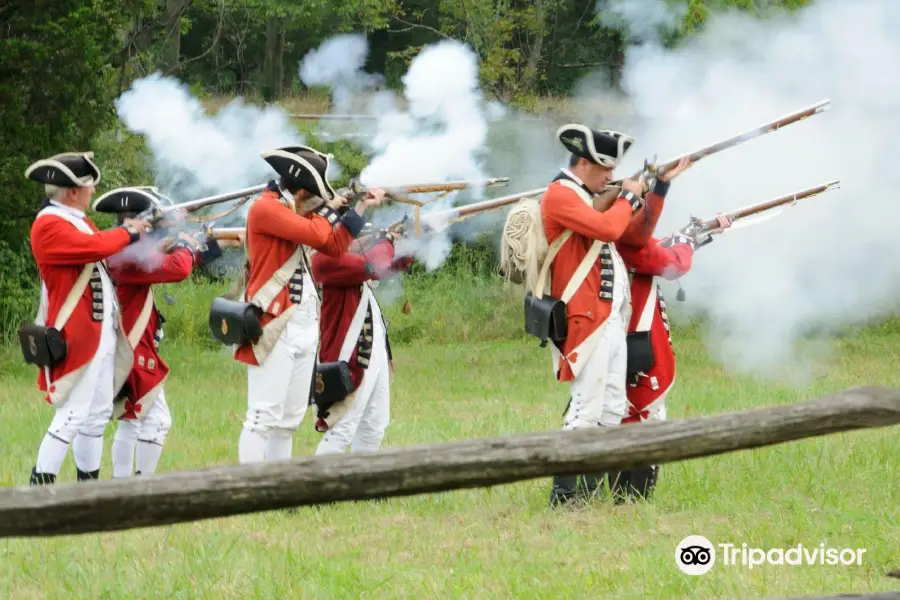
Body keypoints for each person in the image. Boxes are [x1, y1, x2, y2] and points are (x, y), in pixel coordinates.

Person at [232, 145, 386, 464]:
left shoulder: (293, 212)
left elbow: (332, 244)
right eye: (315, 196)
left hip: (304, 323)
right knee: (262, 418)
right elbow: (318, 233)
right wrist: (334, 208)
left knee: (287, 423)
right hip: (275, 322)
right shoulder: (266, 208)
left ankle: (279, 488)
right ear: (303, 192)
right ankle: (246, 491)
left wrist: (359, 209)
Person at [540, 124, 662, 508]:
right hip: (584, 317)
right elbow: (609, 230)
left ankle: (590, 494)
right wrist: (627, 194)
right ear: (585, 163)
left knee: (611, 407)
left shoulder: (590, 195)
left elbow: (636, 238)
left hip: (609, 317)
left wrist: (659, 189)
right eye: (604, 169)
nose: (609, 176)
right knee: (586, 407)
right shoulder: (560, 194)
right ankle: (564, 496)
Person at [23, 151, 151, 485]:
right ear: (73, 192)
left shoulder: (74, 220)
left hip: (99, 332)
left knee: (95, 417)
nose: (93, 192)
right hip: (75, 333)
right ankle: (42, 487)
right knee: (72, 415)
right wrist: (130, 231)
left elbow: (101, 245)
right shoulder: (49, 225)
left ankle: (88, 489)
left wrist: (147, 232)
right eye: (89, 187)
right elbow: (95, 247)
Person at [93, 186, 241, 477]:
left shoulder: (127, 250)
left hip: (134, 341)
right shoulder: (127, 255)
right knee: (155, 421)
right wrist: (185, 244)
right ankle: (137, 488)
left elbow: (175, 261)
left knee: (132, 420)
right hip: (132, 344)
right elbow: (178, 268)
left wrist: (217, 244)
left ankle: (125, 486)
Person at [610, 160, 733, 503]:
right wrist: (689, 242)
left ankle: (622, 495)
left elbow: (652, 242)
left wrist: (695, 233)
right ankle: (631, 498)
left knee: (618, 409)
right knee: (642, 411)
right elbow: (668, 261)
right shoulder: (623, 239)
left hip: (617, 329)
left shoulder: (611, 231)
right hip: (634, 330)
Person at [310, 221, 414, 455]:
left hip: (371, 349)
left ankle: (365, 487)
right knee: (342, 428)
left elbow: (389, 266)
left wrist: (410, 243)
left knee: (374, 426)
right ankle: (320, 487)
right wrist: (386, 239)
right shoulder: (324, 259)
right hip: (350, 354)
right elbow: (374, 265)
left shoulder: (344, 258)